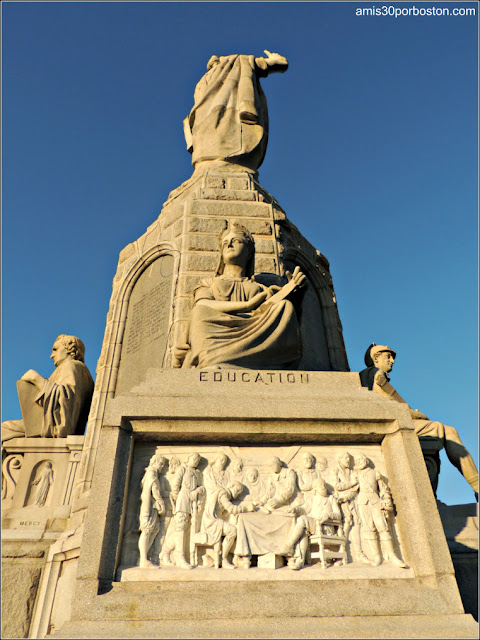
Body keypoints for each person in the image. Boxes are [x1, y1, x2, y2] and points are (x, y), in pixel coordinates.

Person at [173, 222, 306, 370]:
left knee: (285, 306)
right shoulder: (208, 282)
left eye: (236, 241)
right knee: (199, 313)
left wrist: (296, 293)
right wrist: (247, 305)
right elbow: (203, 304)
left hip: (254, 330)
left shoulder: (261, 288)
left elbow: (274, 313)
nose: (229, 245)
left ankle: (261, 359)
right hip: (218, 330)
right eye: (225, 243)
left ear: (249, 252)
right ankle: (211, 359)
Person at [360, 343, 478, 496]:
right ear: (375, 358)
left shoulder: (374, 376)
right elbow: (388, 405)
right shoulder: (376, 374)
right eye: (388, 356)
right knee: (445, 430)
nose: (392, 361)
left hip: (394, 423)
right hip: (392, 426)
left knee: (447, 432)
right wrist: (415, 414)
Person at [184, 51, 288, 174]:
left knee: (221, 143)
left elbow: (280, 64)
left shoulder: (233, 64)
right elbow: (280, 63)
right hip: (207, 124)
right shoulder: (236, 63)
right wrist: (276, 59)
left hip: (214, 123)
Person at [2, 335, 94, 442]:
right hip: (45, 423)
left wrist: (36, 379)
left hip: (49, 425)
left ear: (70, 349)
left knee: (4, 429)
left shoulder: (71, 365)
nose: (52, 355)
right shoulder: (72, 368)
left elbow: (65, 399)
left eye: (55, 350)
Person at [354, 453, 407, 568]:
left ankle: (392, 556)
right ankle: (376, 556)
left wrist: (386, 499)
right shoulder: (355, 475)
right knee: (369, 529)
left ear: (366, 460)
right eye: (356, 460)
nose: (358, 462)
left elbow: (383, 489)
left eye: (360, 459)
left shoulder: (375, 473)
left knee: (382, 528)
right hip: (362, 503)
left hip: (375, 502)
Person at [160, 453, 205, 569]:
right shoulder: (183, 469)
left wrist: (197, 491)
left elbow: (202, 487)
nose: (196, 461)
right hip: (183, 499)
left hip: (193, 503)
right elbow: (175, 486)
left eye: (198, 460)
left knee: (185, 531)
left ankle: (165, 552)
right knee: (180, 528)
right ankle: (180, 557)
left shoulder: (197, 472)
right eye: (194, 458)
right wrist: (177, 500)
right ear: (188, 458)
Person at [198, 481, 255, 569]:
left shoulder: (220, 492)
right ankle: (224, 559)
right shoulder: (223, 493)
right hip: (212, 522)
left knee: (233, 527)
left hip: (213, 520)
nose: (238, 494)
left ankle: (227, 556)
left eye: (240, 492)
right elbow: (231, 508)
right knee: (232, 531)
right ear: (231, 486)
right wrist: (246, 508)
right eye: (238, 490)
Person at [334, 452, 369, 564]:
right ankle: (341, 554)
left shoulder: (353, 472)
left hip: (353, 500)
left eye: (349, 458)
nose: (348, 460)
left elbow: (356, 487)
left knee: (357, 524)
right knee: (345, 525)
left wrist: (348, 493)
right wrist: (351, 484)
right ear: (339, 459)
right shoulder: (335, 471)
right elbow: (337, 486)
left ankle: (359, 553)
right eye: (345, 458)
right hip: (341, 502)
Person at [138, 452, 166, 569]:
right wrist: (161, 502)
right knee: (147, 530)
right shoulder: (152, 473)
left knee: (154, 530)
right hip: (149, 506)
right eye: (160, 464)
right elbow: (154, 489)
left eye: (163, 464)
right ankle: (143, 559)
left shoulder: (151, 473)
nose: (161, 466)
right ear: (154, 462)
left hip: (151, 505)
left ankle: (143, 557)